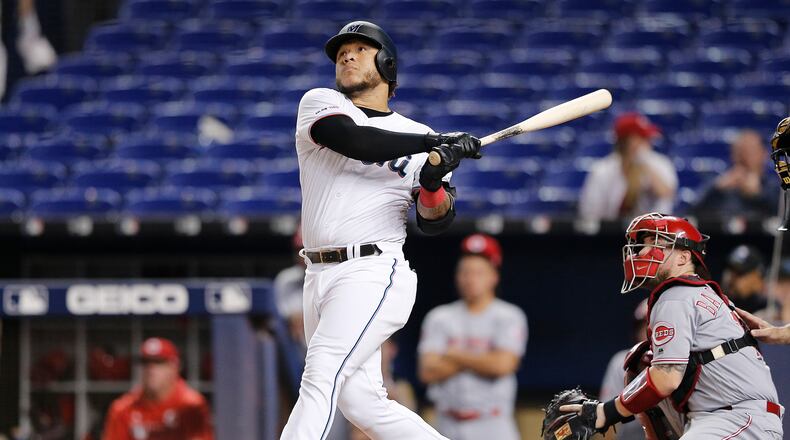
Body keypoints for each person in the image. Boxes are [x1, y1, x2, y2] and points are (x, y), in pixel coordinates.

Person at [280, 21, 481, 440]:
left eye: (360, 49)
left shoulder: (419, 138)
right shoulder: (321, 104)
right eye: (341, 52)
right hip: (317, 273)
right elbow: (358, 141)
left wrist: (431, 181)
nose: (347, 56)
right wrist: (434, 144)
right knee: (362, 403)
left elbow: (435, 220)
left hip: (371, 270)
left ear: (388, 64)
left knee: (320, 374)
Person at [560, 212, 783, 439]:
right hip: (733, 418)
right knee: (643, 361)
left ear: (683, 257)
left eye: (655, 244)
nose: (642, 252)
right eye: (642, 246)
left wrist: (605, 412)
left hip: (735, 418)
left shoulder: (675, 294)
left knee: (652, 370)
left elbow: (666, 378)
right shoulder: (700, 293)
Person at [418, 234, 528, 440]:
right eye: (465, 272)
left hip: (492, 424)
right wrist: (483, 358)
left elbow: (502, 365)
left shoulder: (509, 316)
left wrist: (453, 354)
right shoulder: (439, 317)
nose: (470, 279)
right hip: (445, 423)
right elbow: (427, 372)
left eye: (479, 272)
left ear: (494, 277)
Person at [102, 337, 213, 440]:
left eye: (158, 362)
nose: (151, 369)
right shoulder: (123, 409)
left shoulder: (191, 406)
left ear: (174, 367)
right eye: (145, 362)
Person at [579, 113, 677, 221]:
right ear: (627, 141)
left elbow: (666, 194)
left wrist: (644, 163)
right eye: (642, 138)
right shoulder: (603, 169)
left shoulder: (660, 163)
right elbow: (590, 212)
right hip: (610, 231)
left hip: (653, 231)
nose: (648, 142)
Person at [692, 130, 779, 219]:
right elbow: (692, 213)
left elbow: (782, 217)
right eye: (740, 151)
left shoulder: (772, 186)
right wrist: (717, 189)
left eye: (750, 151)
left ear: (763, 154)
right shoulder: (721, 186)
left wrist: (758, 195)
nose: (744, 157)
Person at [598, 300, 648, 440]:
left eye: (653, 327)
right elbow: (605, 421)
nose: (647, 333)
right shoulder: (622, 361)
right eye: (643, 327)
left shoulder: (681, 363)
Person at [721, 245, 772, 314]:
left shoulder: (768, 305)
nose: (731, 277)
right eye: (731, 270)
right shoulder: (721, 302)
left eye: (739, 273)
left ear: (756, 276)